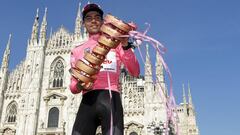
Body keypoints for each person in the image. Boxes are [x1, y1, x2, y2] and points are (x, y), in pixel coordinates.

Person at [70, 3, 140, 135]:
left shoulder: (116, 44)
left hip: (111, 100)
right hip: (88, 102)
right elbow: (73, 87)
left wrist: (125, 45)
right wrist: (80, 84)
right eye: (89, 18)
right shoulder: (77, 50)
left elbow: (135, 71)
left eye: (97, 17)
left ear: (103, 21)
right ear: (83, 23)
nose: (93, 20)